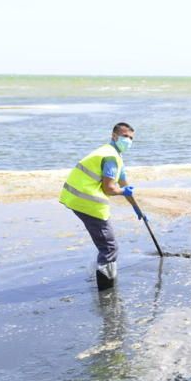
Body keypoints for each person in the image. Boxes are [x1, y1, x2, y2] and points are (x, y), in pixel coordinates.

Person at [59, 123, 137, 290]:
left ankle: (100, 275)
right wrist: (123, 191)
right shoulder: (110, 157)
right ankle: (107, 292)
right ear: (114, 136)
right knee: (109, 247)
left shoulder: (113, 154)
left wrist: (136, 208)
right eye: (125, 136)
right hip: (87, 202)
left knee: (106, 245)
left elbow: (123, 182)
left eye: (131, 138)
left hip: (76, 198)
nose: (128, 140)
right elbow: (110, 188)